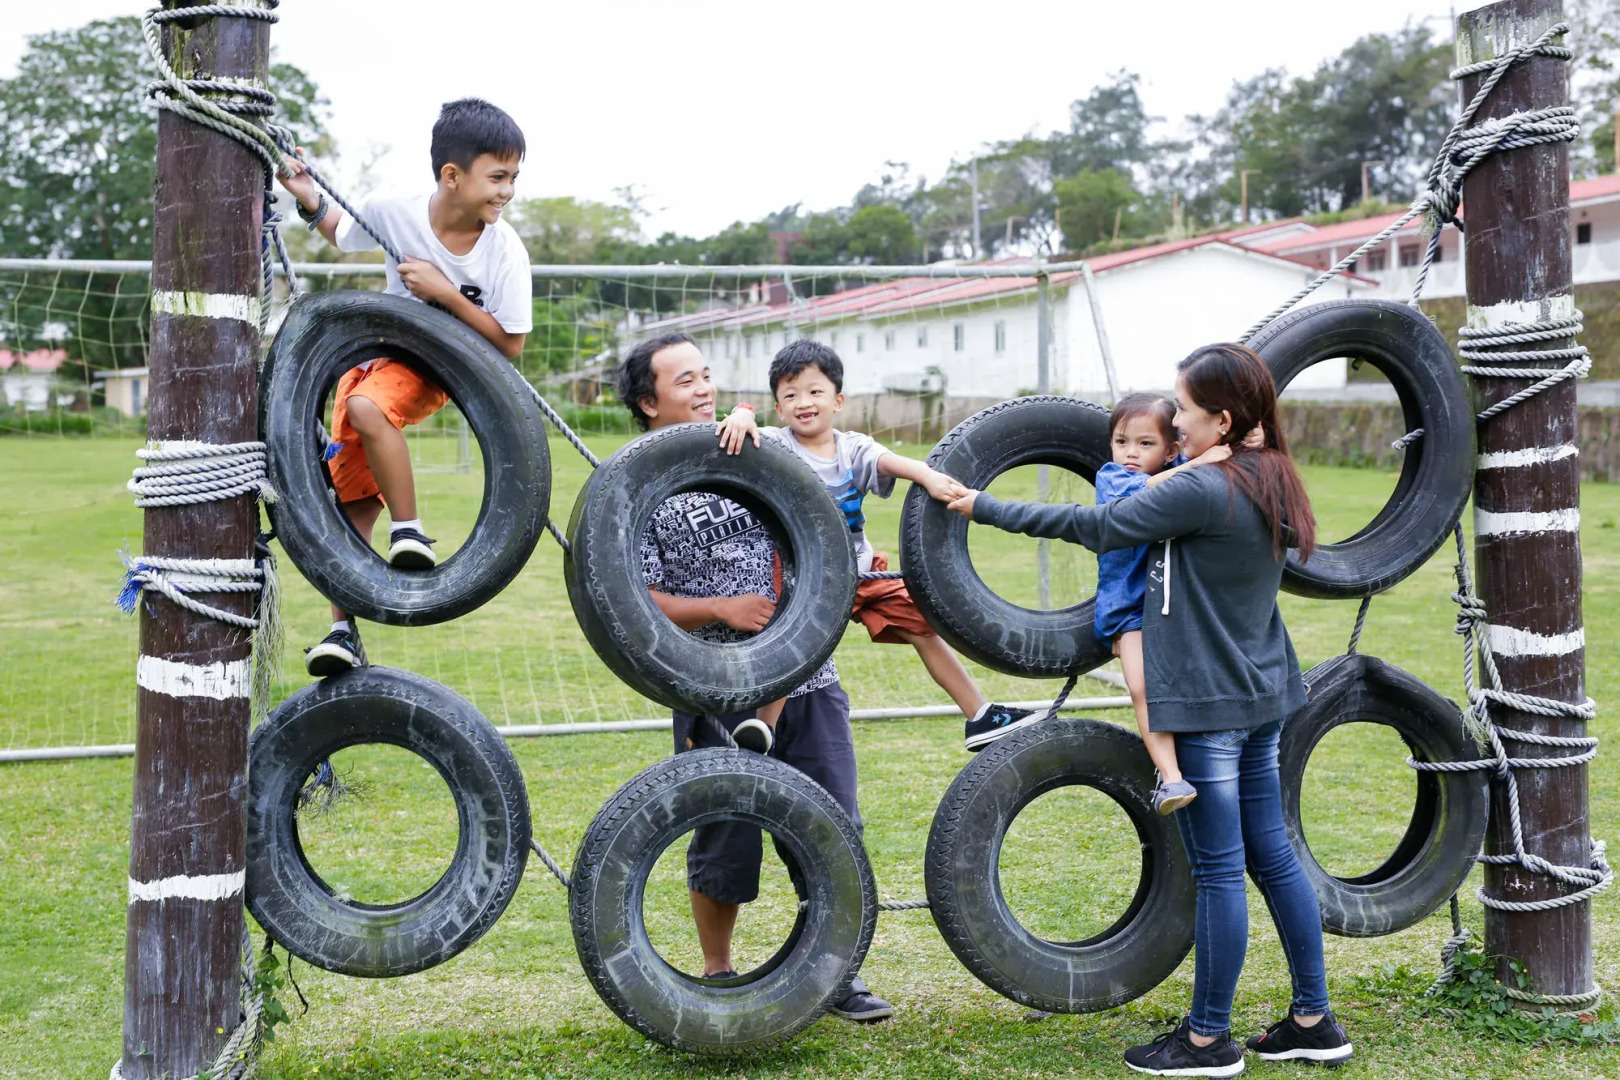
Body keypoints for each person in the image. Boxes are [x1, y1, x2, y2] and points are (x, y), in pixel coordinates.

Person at [937, 345, 1352, 1075]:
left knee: (1222, 871)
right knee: (1273, 855)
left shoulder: (1203, 490)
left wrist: (984, 505)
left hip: (1211, 706)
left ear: (1222, 419)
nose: (1174, 418)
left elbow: (1095, 525)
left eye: (1184, 408)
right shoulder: (1269, 473)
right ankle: (1314, 1020)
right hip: (1263, 695)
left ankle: (1206, 1040)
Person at [616, 332, 894, 1023]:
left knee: (833, 827)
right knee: (725, 835)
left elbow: (823, 527)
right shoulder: (636, 486)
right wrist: (718, 608)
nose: (704, 388)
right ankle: (718, 971)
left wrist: (861, 554)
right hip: (712, 687)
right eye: (685, 381)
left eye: (706, 374)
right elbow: (631, 596)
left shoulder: (762, 452)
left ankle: (836, 973)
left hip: (809, 678)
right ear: (649, 402)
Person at [278, 98, 532, 677]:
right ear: (452, 175)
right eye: (497, 177)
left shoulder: (503, 251)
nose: (507, 192)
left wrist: (444, 293)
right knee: (352, 500)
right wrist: (304, 191)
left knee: (369, 409)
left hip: (437, 364)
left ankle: (410, 529)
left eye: (514, 178)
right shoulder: (398, 213)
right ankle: (343, 632)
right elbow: (340, 231)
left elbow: (510, 343)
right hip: (369, 358)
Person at [717, 339, 1039, 753]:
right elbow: (739, 432)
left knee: (923, 628)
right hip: (803, 580)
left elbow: (893, 463)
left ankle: (978, 714)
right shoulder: (777, 445)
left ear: (838, 399)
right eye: (790, 395)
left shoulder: (851, 448)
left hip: (861, 569)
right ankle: (763, 729)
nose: (804, 402)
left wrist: (926, 477)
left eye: (815, 392)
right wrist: (742, 413)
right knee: (794, 646)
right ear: (778, 408)